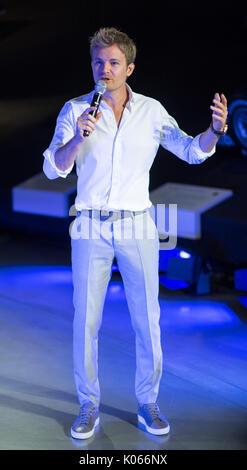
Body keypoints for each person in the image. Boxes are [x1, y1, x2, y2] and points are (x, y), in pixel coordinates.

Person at [43, 27, 228, 440]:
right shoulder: (75, 110)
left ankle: (148, 402)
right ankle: (88, 405)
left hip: (138, 224)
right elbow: (54, 167)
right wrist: (78, 137)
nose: (103, 70)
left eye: (112, 63)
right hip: (89, 223)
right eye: (97, 62)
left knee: (147, 318)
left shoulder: (152, 111)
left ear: (129, 67)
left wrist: (214, 132)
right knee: (85, 320)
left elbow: (190, 150)